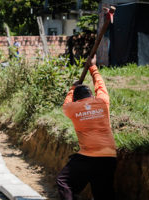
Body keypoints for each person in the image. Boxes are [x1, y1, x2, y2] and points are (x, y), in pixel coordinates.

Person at [56, 55, 117, 200]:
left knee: (64, 182)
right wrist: (93, 67)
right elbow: (100, 86)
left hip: (88, 157)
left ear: (77, 100)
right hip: (109, 156)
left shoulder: (72, 109)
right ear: (91, 96)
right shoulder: (102, 102)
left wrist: (71, 89)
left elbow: (66, 105)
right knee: (103, 193)